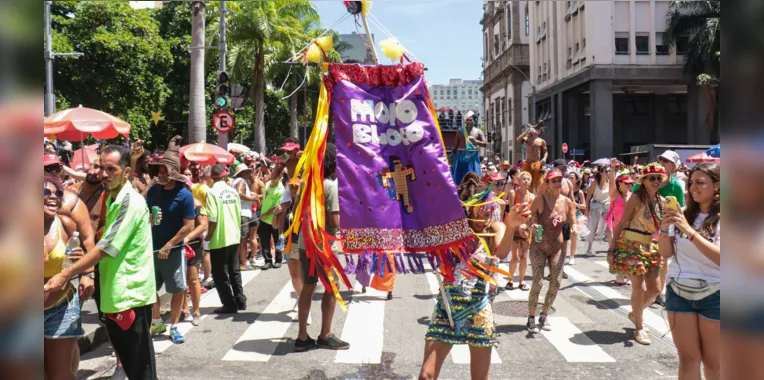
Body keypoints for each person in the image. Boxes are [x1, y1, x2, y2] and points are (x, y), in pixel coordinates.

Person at [45, 145, 158, 380]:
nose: (104, 174)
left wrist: (67, 274)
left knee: (140, 369)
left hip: (129, 297)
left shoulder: (129, 201)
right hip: (114, 297)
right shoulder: (112, 198)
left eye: (111, 169)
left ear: (126, 172)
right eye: (102, 167)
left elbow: (107, 247)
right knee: (130, 364)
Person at [419, 172, 531, 380]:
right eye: (476, 213)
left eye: (486, 212)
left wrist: (512, 225)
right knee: (426, 375)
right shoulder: (452, 232)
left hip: (479, 310)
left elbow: (501, 252)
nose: (482, 219)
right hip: (448, 309)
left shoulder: (495, 228)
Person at [658, 163, 720, 380]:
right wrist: (665, 229)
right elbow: (665, 254)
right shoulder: (683, 214)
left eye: (700, 183)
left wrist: (689, 231)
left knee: (715, 364)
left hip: (716, 294)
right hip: (679, 292)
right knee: (687, 360)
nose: (693, 188)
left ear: (717, 186)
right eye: (691, 183)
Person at [294, 143, 349, 352]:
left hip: (304, 243)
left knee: (307, 288)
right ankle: (325, 334)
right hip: (323, 247)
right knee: (331, 289)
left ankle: (302, 336)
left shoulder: (305, 184)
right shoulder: (330, 186)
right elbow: (334, 222)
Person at [607, 163, 667, 345]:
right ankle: (639, 328)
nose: (656, 181)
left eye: (659, 178)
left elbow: (663, 228)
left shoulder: (663, 202)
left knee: (655, 290)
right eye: (652, 178)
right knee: (638, 288)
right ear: (645, 181)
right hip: (631, 245)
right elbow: (622, 222)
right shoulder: (635, 198)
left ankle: (635, 313)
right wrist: (612, 248)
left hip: (650, 246)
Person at [146, 136, 195, 344]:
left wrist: (169, 244)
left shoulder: (184, 194)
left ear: (174, 172)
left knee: (178, 289)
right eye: (158, 170)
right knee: (148, 290)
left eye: (164, 170)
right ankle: (156, 320)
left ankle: (174, 326)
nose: (160, 173)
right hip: (150, 250)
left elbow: (189, 226)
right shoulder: (154, 190)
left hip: (173, 252)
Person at [526, 169, 577, 333]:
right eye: (553, 180)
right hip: (538, 246)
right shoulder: (539, 200)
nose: (557, 183)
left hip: (557, 248)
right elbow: (528, 217)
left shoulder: (567, 202)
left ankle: (544, 315)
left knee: (556, 282)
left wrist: (575, 227)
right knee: (538, 282)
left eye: (559, 180)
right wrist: (531, 225)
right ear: (546, 184)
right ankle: (531, 318)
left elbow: (573, 219)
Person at [43, 174, 84, 380]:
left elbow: (77, 259)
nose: (53, 197)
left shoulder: (66, 224)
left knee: (60, 375)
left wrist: (80, 262)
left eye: (57, 193)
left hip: (61, 306)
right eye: (45, 192)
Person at [633, 149, 686, 306]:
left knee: (663, 259)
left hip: (664, 227)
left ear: (674, 166)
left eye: (666, 161)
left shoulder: (676, 185)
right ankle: (642, 294)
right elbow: (634, 200)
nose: (662, 163)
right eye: (661, 159)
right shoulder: (646, 180)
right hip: (642, 226)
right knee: (641, 260)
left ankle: (660, 292)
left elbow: (681, 208)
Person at [205, 164, 246, 314]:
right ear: (224, 175)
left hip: (219, 237)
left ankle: (229, 304)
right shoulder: (233, 191)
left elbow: (213, 218)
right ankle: (240, 300)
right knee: (234, 269)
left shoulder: (212, 193)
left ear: (212, 177)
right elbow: (238, 212)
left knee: (219, 273)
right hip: (234, 235)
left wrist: (208, 235)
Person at [180, 176, 208, 327]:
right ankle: (184, 309)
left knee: (193, 278)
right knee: (180, 280)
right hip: (178, 245)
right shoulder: (176, 203)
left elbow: (203, 225)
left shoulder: (196, 204)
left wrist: (187, 237)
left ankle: (196, 310)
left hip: (194, 244)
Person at [606, 159, 635, 285]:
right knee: (618, 251)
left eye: (630, 184)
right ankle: (619, 274)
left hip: (630, 227)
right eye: (626, 183)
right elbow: (611, 182)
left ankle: (626, 273)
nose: (629, 186)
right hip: (617, 227)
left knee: (629, 251)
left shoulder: (631, 195)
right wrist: (612, 168)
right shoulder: (614, 194)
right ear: (620, 184)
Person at [505, 171, 535, 291]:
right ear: (519, 180)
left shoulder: (532, 197)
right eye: (524, 179)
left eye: (528, 179)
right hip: (514, 228)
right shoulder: (513, 193)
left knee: (524, 256)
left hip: (525, 229)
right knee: (515, 257)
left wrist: (526, 226)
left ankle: (521, 282)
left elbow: (532, 214)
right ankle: (510, 280)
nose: (526, 181)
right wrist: (516, 224)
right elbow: (512, 212)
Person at [232, 163, 260, 270]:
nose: (250, 173)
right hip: (243, 213)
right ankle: (243, 262)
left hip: (239, 212)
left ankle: (242, 261)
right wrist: (252, 199)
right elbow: (239, 193)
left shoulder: (236, 181)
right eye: (247, 171)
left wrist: (251, 195)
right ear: (242, 173)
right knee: (243, 240)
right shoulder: (241, 181)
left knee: (241, 239)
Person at [258, 164, 286, 270]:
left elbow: (276, 206)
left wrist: (265, 214)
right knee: (265, 240)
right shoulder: (267, 183)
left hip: (274, 219)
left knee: (277, 239)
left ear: (280, 177)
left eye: (275, 175)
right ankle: (268, 261)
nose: (273, 176)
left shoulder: (281, 190)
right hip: (263, 219)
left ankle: (278, 259)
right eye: (272, 173)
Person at [192, 166, 215, 290]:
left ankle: (200, 274)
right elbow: (211, 208)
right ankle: (207, 276)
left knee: (198, 250)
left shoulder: (193, 186)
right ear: (209, 176)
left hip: (195, 221)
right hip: (205, 220)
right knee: (206, 251)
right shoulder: (208, 190)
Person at [449, 111, 485, 185]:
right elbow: (455, 145)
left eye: (470, 120)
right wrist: (452, 156)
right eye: (467, 120)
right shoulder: (460, 131)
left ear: (473, 121)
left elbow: (485, 144)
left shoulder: (478, 131)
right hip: (460, 155)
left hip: (472, 156)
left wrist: (476, 142)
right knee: (459, 177)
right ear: (465, 121)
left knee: (473, 176)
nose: (469, 121)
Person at [516, 120, 548, 194]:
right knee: (527, 182)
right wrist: (526, 131)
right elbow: (518, 140)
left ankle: (538, 198)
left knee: (538, 183)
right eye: (534, 130)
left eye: (537, 130)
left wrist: (544, 158)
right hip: (528, 163)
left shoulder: (541, 141)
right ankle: (528, 197)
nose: (535, 131)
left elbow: (545, 151)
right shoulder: (527, 139)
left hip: (537, 163)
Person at [585, 165, 610, 254]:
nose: (608, 173)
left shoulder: (610, 183)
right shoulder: (594, 183)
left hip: (607, 207)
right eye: (606, 171)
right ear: (601, 173)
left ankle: (610, 248)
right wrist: (586, 208)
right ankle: (589, 248)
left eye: (608, 171)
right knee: (593, 227)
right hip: (596, 206)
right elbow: (588, 196)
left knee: (609, 227)